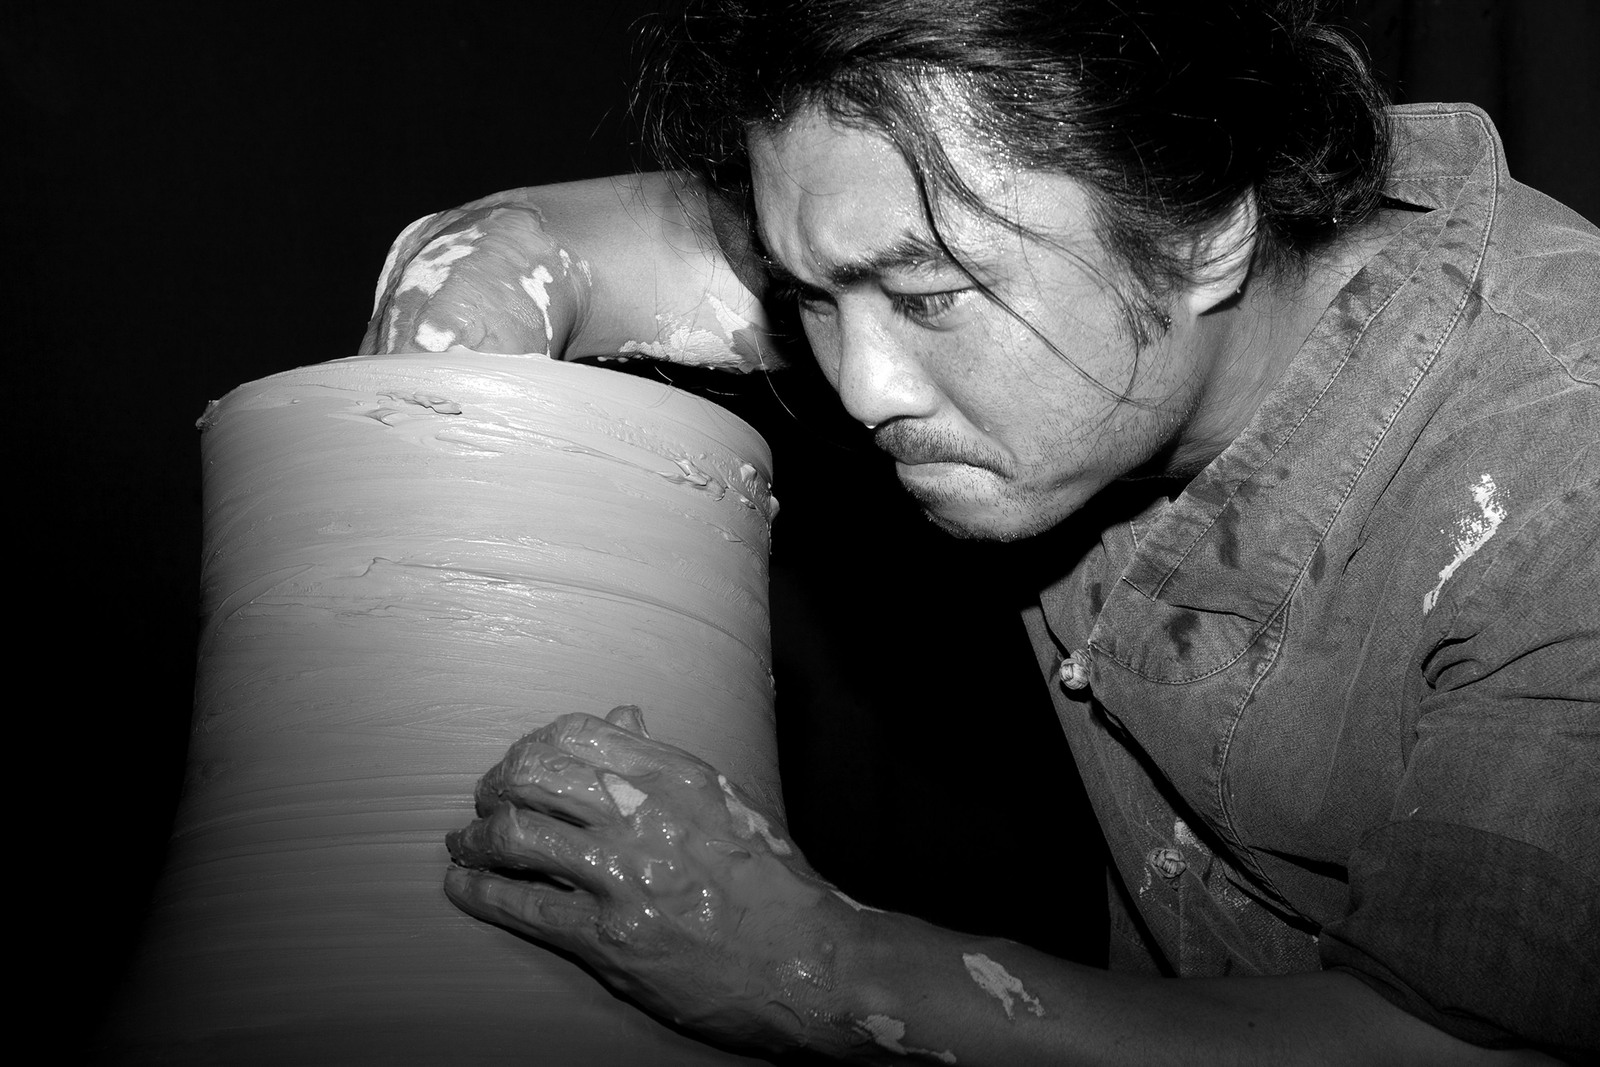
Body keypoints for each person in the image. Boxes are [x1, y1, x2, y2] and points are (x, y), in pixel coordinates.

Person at [362, 1, 1598, 1061]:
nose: (861, 389)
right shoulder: (1020, 237)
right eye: (807, 297)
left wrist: (818, 965)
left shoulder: (1563, 467)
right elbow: (523, 250)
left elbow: (1467, 1046)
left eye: (927, 296)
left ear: (1204, 229)